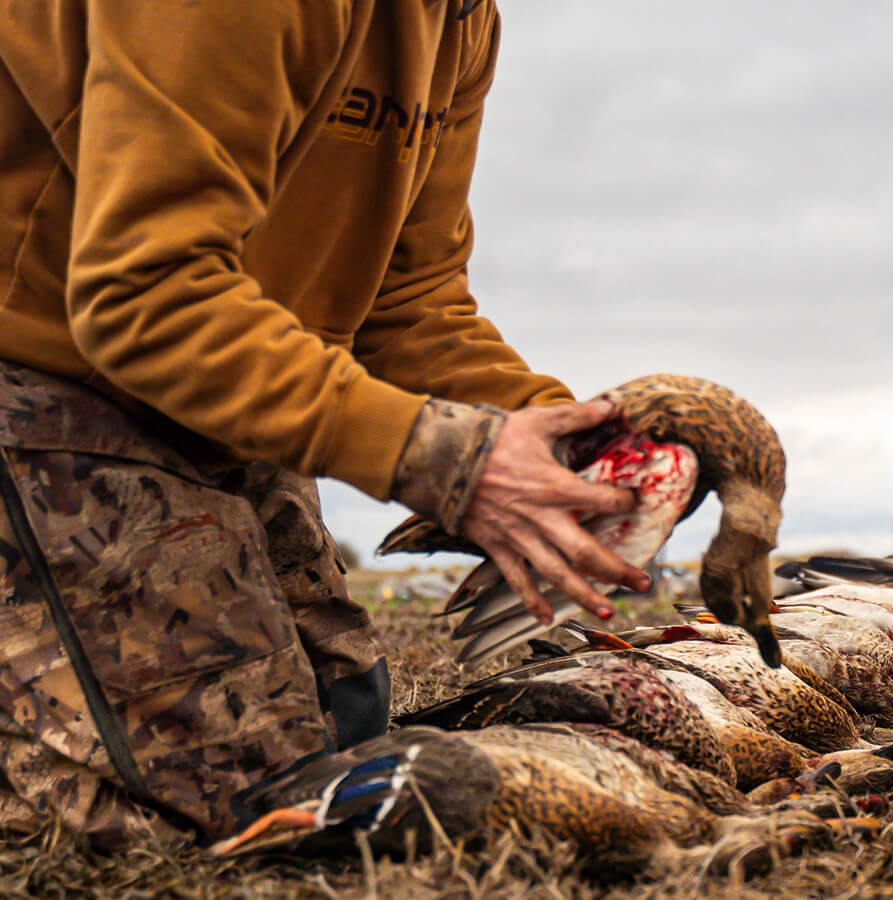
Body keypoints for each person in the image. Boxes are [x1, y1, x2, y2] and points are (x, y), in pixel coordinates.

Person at [0, 1, 654, 847]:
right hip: (42, 373)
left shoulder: (460, 19)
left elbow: (410, 302)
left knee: (350, 728)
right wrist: (445, 460)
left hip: (209, 388)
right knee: (247, 811)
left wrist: (573, 449)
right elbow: (143, 292)